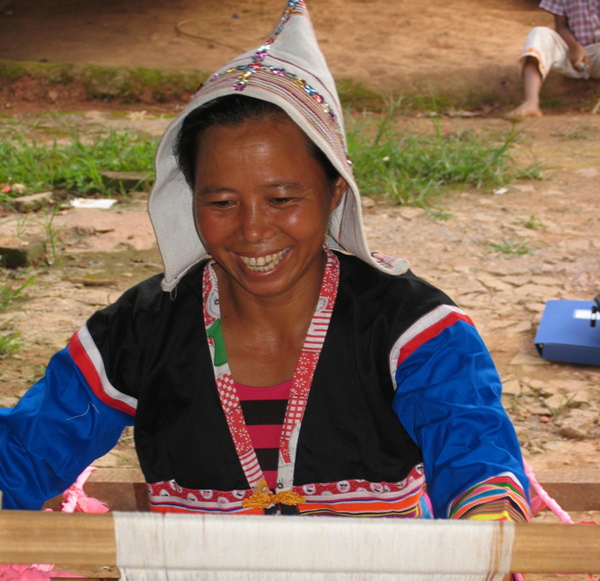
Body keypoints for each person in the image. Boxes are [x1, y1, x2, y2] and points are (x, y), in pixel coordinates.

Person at [0, 0, 529, 522]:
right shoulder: (140, 332)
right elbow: (25, 454)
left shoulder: (412, 329)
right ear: (189, 199)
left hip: (382, 580)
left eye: (281, 199)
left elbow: (477, 458)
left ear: (335, 190)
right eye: (221, 202)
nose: (252, 231)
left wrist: (488, 522)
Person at [511, 0, 600, 118]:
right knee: (539, 33)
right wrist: (575, 47)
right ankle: (531, 102)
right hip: (571, 52)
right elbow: (561, 26)